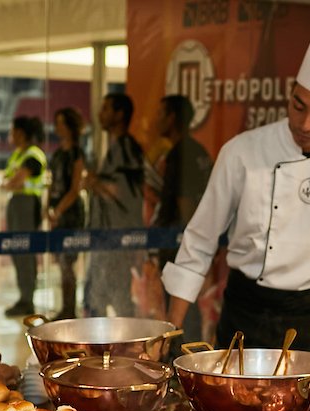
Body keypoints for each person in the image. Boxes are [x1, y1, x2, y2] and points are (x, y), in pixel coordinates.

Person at [161, 3, 310, 358]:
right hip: (246, 314)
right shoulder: (242, 153)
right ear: (290, 92)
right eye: (299, 106)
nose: (306, 124)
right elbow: (199, 244)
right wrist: (169, 332)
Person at [147, 94, 212, 342]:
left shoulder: (180, 153)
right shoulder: (198, 150)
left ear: (172, 118)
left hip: (180, 244)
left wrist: (192, 242)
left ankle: (184, 359)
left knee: (181, 305)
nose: (156, 121)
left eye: (161, 114)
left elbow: (186, 201)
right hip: (191, 241)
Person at [83, 93, 144, 318]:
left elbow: (121, 192)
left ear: (120, 115)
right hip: (107, 238)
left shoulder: (126, 148)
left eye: (106, 108)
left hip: (118, 238)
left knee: (118, 296)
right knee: (99, 295)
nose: (100, 114)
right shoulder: (115, 147)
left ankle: (130, 347)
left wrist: (93, 182)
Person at [1, 115, 47, 318]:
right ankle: (24, 297)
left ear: (21, 132)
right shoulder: (18, 155)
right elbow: (8, 180)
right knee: (17, 252)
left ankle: (27, 299)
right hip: (17, 204)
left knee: (25, 253)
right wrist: (8, 183)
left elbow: (14, 182)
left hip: (27, 205)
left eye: (13, 131)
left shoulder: (33, 155)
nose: (10, 135)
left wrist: (8, 183)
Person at [46, 107, 87, 319]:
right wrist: (49, 209)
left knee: (67, 262)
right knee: (61, 263)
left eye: (61, 123)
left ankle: (70, 307)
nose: (57, 127)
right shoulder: (59, 154)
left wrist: (59, 209)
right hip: (59, 212)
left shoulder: (76, 153)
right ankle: (66, 307)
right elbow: (52, 183)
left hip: (70, 214)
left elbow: (75, 187)